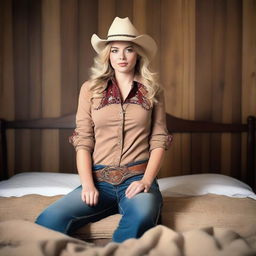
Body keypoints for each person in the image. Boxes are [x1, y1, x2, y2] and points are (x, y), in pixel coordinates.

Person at [35, 17, 172, 243]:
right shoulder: (90, 89)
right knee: (48, 220)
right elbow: (83, 140)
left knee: (141, 218)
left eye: (129, 50)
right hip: (99, 180)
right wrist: (88, 185)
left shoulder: (152, 90)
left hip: (137, 178)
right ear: (107, 54)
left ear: (137, 54)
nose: (122, 56)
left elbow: (158, 139)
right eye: (115, 50)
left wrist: (146, 181)